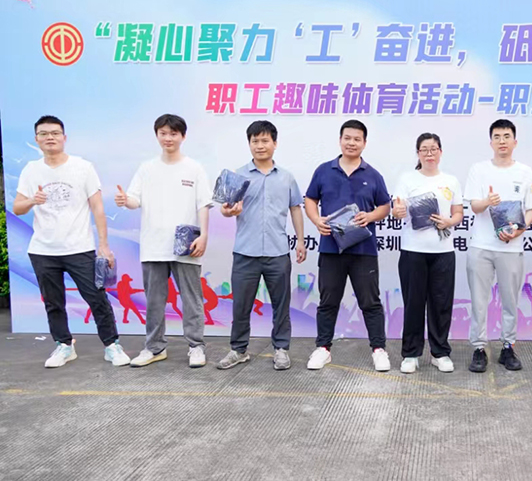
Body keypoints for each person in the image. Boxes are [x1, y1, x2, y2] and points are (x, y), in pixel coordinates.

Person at [13, 115, 130, 368]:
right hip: (43, 250)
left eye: (55, 133)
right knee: (53, 303)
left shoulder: (82, 167)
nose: (50, 137)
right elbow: (17, 207)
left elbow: (98, 208)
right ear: (36, 139)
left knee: (96, 298)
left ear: (64, 137)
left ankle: (112, 345)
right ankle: (64, 345)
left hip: (79, 247)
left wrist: (104, 245)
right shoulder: (31, 170)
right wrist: (33, 200)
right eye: (44, 134)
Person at [116, 114, 212, 368]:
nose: (168, 138)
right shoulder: (146, 168)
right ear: (157, 135)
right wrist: (126, 201)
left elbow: (203, 204)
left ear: (183, 136)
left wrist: (203, 235)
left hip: (186, 245)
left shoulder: (194, 168)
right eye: (163, 133)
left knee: (191, 298)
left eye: (173, 133)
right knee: (155, 301)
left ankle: (196, 346)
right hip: (153, 245)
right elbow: (135, 199)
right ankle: (155, 347)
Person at [216, 121, 306, 371]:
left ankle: (281, 349)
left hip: (278, 252)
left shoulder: (286, 177)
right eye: (255, 141)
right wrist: (228, 211)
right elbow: (225, 209)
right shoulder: (237, 175)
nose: (260, 145)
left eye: (265, 140)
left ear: (275, 143)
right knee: (241, 305)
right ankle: (238, 350)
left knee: (281, 305)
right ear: (249, 144)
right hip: (245, 252)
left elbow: (295, 208)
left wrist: (300, 240)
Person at [304, 120, 392, 372]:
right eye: (347, 138)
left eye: (357, 139)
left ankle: (378, 349)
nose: (351, 143)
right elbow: (310, 199)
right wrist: (316, 220)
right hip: (331, 249)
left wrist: (370, 216)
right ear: (340, 140)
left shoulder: (373, 175)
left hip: (364, 251)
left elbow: (385, 206)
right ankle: (323, 348)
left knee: (370, 302)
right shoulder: (324, 171)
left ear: (364, 143)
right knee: (328, 301)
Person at [464, 119, 532, 373]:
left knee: (510, 300)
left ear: (515, 141)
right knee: (479, 300)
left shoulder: (525, 172)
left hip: (512, 248)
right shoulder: (479, 169)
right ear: (491, 142)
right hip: (482, 246)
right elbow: (474, 206)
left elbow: (531, 209)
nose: (502, 141)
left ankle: (508, 346)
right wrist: (487, 201)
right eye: (497, 137)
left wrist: (518, 231)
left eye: (506, 136)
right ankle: (479, 347)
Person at [391, 133, 464, 374]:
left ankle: (439, 352)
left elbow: (458, 213)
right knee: (413, 303)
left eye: (433, 149)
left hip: (443, 251)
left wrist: (449, 221)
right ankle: (411, 354)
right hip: (413, 251)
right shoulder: (407, 179)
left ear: (440, 152)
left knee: (441, 304)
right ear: (418, 153)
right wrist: (398, 211)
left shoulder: (451, 180)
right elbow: (397, 208)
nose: (429, 153)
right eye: (424, 149)